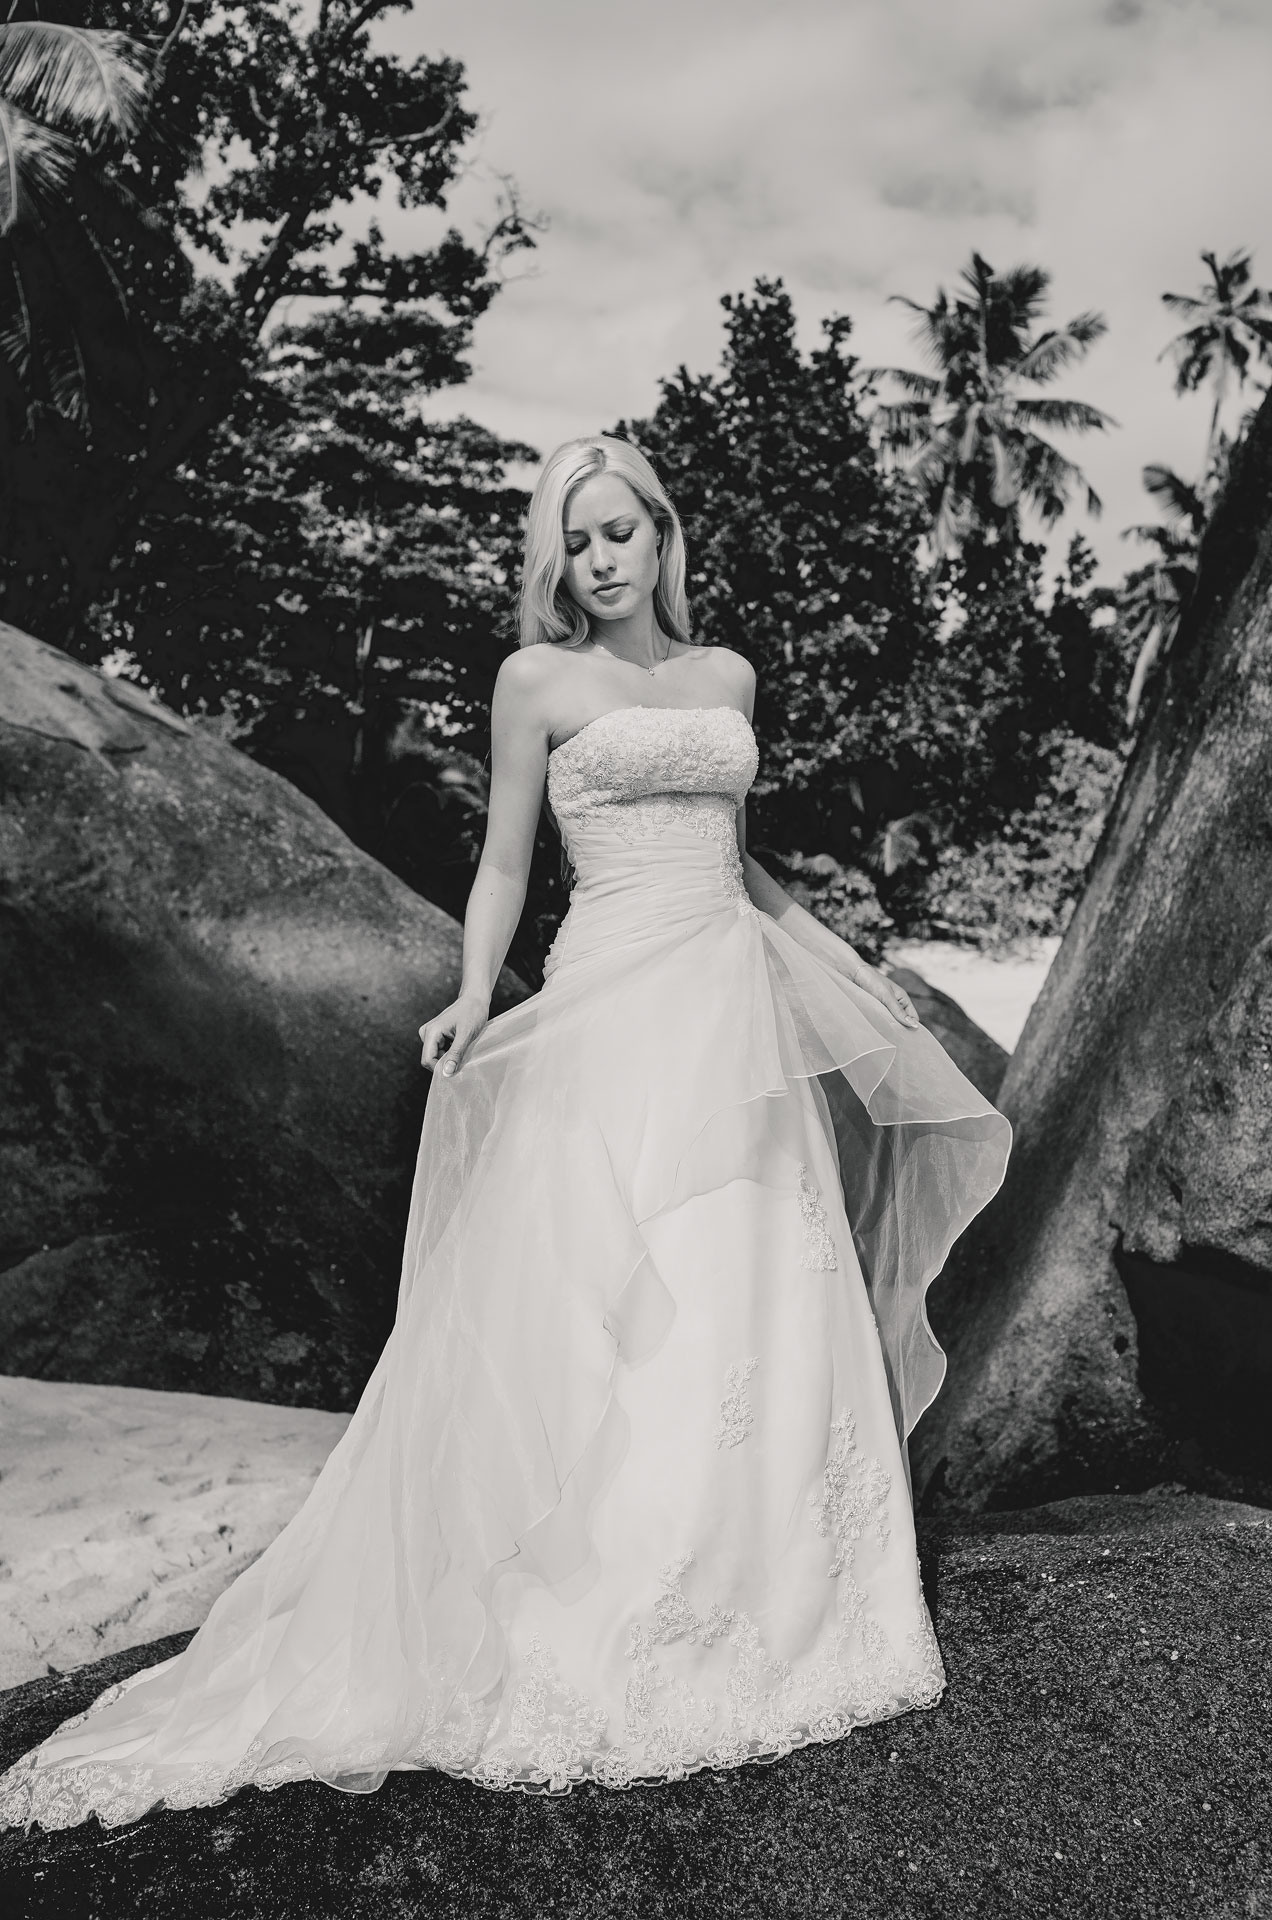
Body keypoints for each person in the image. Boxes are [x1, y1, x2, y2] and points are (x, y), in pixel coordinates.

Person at [0, 437, 1011, 1829]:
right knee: (602, 1296)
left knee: (746, 1284)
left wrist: (843, 954)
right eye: (573, 543)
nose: (598, 563)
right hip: (611, 1003)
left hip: (727, 1002)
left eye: (618, 535)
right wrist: (475, 993)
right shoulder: (536, 683)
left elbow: (739, 853)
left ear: (660, 534)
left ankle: (763, 1599)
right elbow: (504, 861)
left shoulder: (728, 680)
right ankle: (587, 1598)